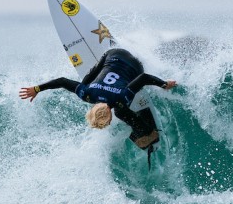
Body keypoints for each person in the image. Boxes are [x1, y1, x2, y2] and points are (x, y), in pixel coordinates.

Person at [19, 48, 177, 152]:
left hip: (135, 65)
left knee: (121, 112)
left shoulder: (121, 98)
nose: (108, 124)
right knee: (85, 82)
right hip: (113, 53)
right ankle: (143, 132)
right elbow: (62, 81)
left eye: (107, 122)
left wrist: (164, 84)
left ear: (107, 114)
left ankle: (148, 131)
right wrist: (36, 89)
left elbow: (143, 78)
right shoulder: (86, 94)